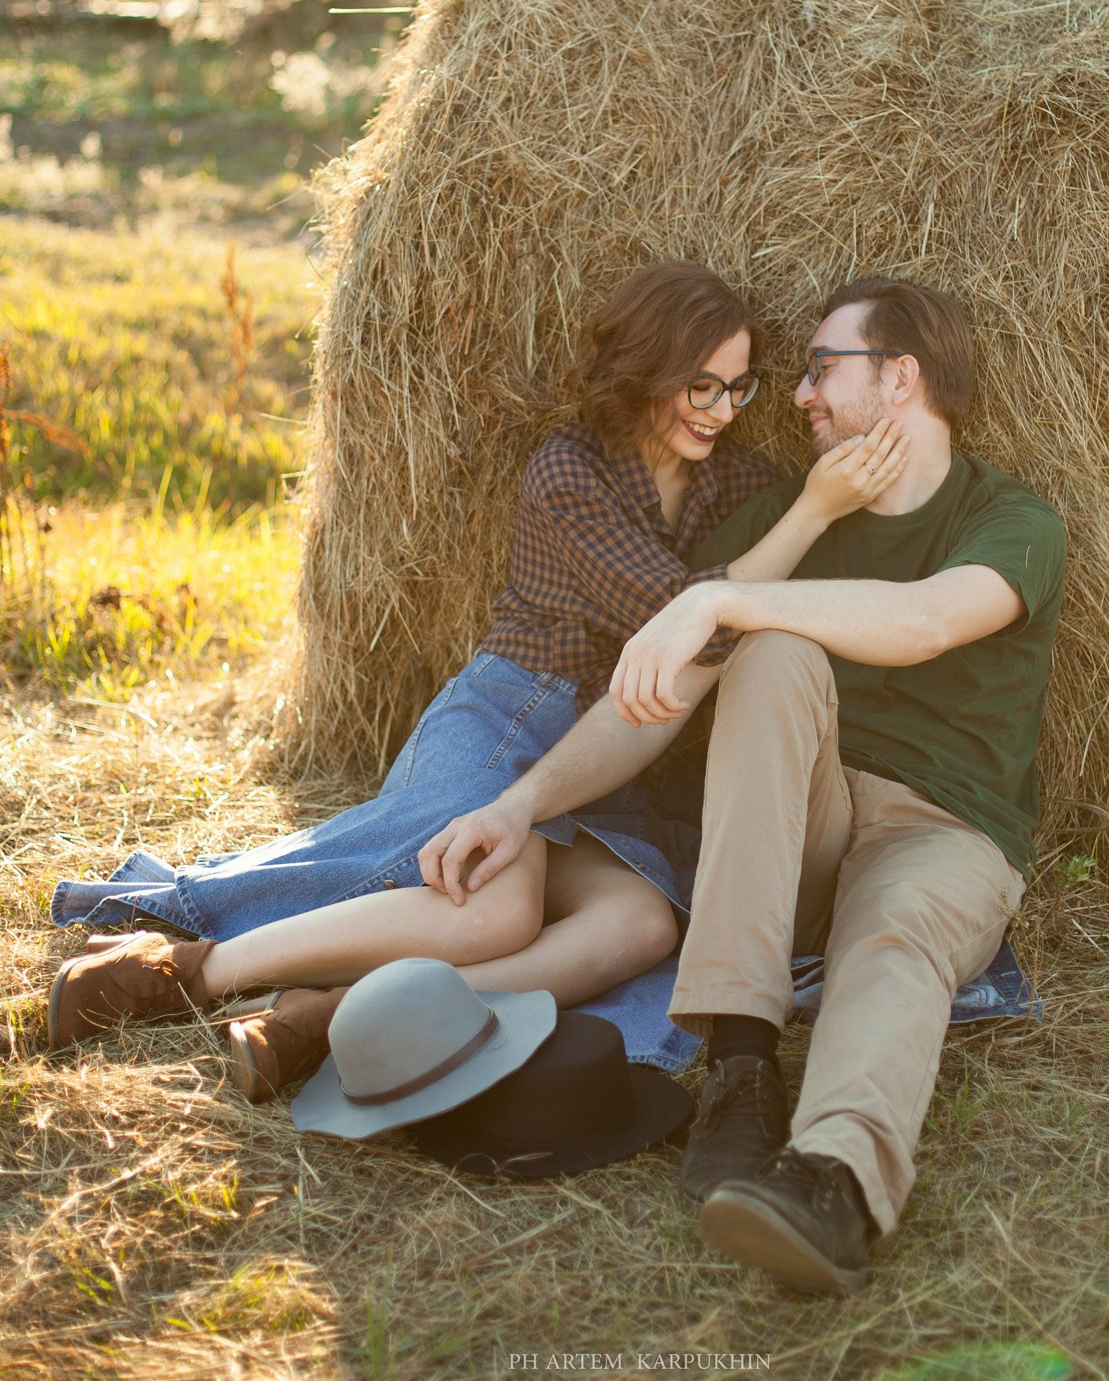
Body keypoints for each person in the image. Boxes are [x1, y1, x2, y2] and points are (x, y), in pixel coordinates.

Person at [49, 261, 908, 1105]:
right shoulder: (570, 473)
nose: (721, 411)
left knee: (641, 926)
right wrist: (813, 510)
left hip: (612, 765)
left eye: (738, 387)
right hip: (514, 717)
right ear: (646, 370)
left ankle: (328, 1015)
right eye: (700, 387)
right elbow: (693, 622)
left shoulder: (743, 484)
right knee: (496, 911)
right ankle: (194, 970)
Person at [422, 276, 1065, 1295]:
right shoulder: (779, 519)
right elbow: (657, 703)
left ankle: (833, 1186)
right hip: (801, 823)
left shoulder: (1009, 518)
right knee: (772, 655)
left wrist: (723, 600)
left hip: (943, 834)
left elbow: (928, 622)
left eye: (821, 368)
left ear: (900, 377)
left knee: (893, 937)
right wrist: (520, 803)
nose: (798, 394)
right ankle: (737, 1066)